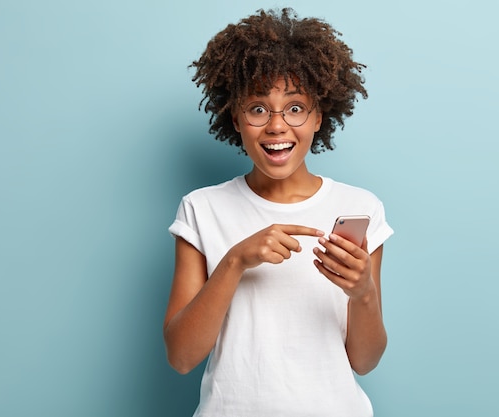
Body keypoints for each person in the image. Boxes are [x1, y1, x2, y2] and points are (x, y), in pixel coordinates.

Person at [163, 8, 394, 417]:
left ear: (319, 117)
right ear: (235, 118)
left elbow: (365, 360)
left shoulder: (361, 208)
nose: (276, 126)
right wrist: (235, 260)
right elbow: (181, 357)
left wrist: (362, 294)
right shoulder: (202, 209)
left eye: (294, 108)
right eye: (257, 109)